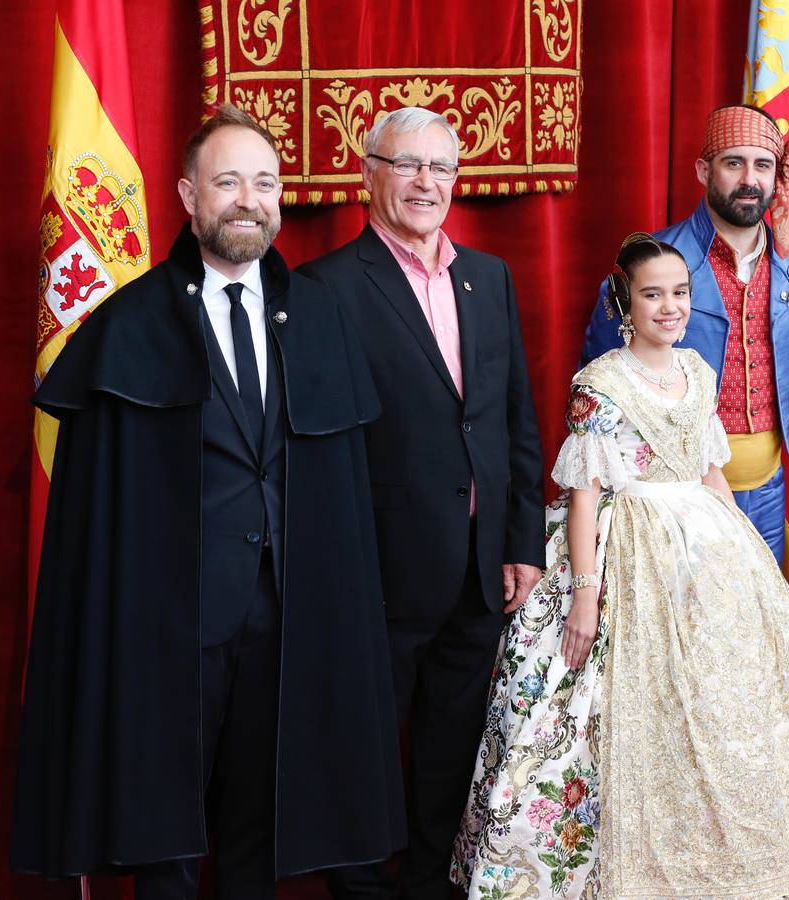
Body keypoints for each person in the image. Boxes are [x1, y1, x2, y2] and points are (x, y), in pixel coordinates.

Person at [11, 105, 403, 898]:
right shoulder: (131, 324)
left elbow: (345, 496)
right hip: (169, 624)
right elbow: (102, 513)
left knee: (259, 823)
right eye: (228, 182)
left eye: (264, 183)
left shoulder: (322, 317)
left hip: (288, 620)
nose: (248, 200)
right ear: (189, 196)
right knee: (167, 835)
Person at [452, 233, 789, 898]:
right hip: (623, 547)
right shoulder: (601, 384)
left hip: (701, 554)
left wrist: (750, 563)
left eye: (679, 293)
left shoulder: (699, 374)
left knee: (723, 706)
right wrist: (585, 595)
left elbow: (711, 476)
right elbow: (582, 498)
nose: (670, 307)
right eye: (653, 294)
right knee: (598, 708)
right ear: (625, 302)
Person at [301, 107, 545, 899]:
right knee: (363, 751)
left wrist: (522, 542)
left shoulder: (490, 276)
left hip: (479, 567)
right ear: (367, 174)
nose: (424, 183)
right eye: (406, 166)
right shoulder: (325, 287)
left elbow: (512, 417)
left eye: (440, 168)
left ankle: (435, 886)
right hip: (377, 570)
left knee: (453, 749)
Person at [580, 104, 789, 563]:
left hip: (768, 488)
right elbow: (598, 378)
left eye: (763, 165)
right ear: (704, 170)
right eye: (733, 163)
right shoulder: (653, 261)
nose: (750, 179)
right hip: (674, 494)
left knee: (758, 623)